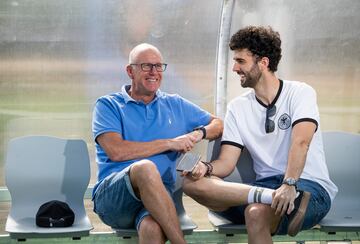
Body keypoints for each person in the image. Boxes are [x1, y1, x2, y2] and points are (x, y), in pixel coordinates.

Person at [182, 26, 338, 243]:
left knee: (255, 213)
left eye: (241, 61)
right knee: (191, 184)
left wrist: (289, 184)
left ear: (263, 63)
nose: (234, 68)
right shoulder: (237, 108)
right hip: (259, 190)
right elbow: (227, 163)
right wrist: (205, 168)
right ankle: (269, 197)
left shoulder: (301, 92)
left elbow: (301, 142)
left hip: (306, 187)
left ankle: (277, 199)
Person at [91, 43, 223, 244]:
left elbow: (218, 124)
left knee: (152, 227)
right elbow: (116, 151)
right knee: (145, 168)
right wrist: (171, 143)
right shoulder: (108, 105)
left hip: (158, 199)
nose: (154, 72)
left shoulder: (175, 104)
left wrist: (198, 134)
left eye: (158, 66)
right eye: (146, 66)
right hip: (113, 199)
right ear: (130, 71)